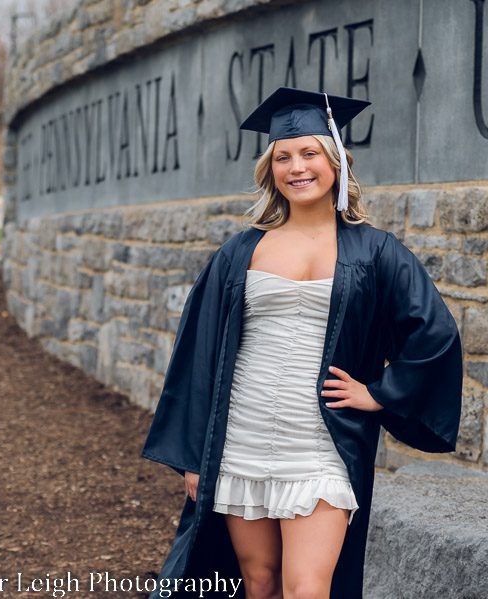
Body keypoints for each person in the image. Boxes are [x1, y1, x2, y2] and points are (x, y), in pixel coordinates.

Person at [140, 87, 464, 599]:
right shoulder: (242, 250)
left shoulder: (375, 251)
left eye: (309, 153)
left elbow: (435, 331)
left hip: (320, 445)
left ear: (335, 161)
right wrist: (195, 456)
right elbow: (198, 353)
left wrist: (379, 393)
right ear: (270, 169)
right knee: (260, 583)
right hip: (241, 437)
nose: (296, 168)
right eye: (283, 157)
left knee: (308, 588)